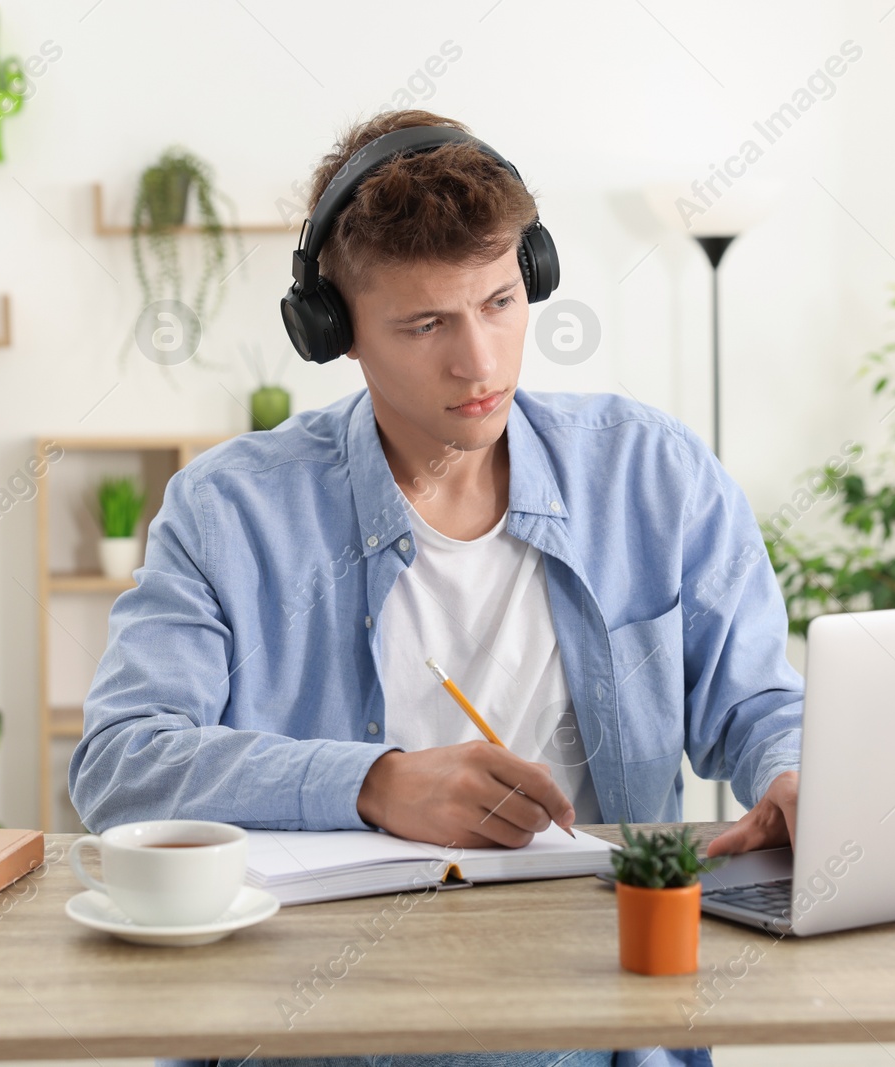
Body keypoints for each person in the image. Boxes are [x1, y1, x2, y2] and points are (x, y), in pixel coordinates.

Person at [69, 109, 803, 1067]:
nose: (480, 362)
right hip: (316, 1028)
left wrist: (793, 771)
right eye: (426, 324)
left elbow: (755, 703)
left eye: (500, 302)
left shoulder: (652, 475)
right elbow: (121, 764)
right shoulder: (228, 511)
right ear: (335, 333)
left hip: (604, 1025)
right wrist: (371, 785)